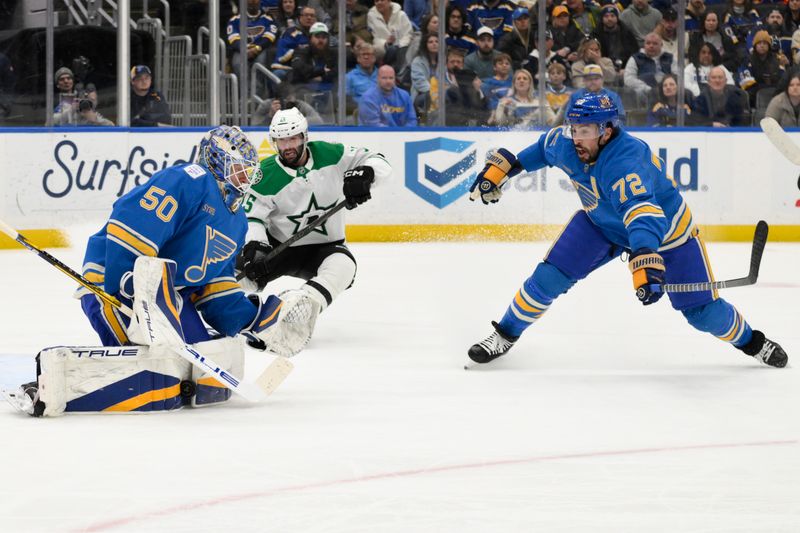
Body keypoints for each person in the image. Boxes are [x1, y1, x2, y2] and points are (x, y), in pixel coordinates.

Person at [466, 93, 787, 369]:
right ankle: (504, 335)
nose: (577, 137)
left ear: (606, 131)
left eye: (586, 130)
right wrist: (504, 170)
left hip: (668, 237)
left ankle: (753, 343)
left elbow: (643, 214)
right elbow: (543, 149)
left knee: (703, 313)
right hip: (601, 225)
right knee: (547, 279)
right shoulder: (568, 142)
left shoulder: (626, 161)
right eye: (574, 128)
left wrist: (646, 255)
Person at [66, 126, 299, 412]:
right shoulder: (189, 181)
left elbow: (216, 284)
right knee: (156, 373)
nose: (245, 178)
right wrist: (129, 280)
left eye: (249, 172)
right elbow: (132, 220)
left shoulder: (237, 221)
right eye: (239, 169)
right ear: (217, 161)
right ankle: (72, 382)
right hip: (114, 285)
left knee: (198, 371)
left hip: (169, 300)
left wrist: (251, 318)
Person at [238, 108, 392, 344]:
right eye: (281, 140)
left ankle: (299, 311)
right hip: (281, 247)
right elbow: (253, 217)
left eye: (293, 138)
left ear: (304, 136)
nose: (287, 146)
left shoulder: (331, 153)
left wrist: (367, 174)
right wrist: (254, 246)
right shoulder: (264, 174)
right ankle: (232, 313)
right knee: (240, 272)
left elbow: (379, 160)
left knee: (344, 265)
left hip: (325, 248)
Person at [226, 0, 278, 94]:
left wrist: (257, 48)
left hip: (260, 49)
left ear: (259, 2)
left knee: (260, 63)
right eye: (250, 1)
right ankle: (245, 96)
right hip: (241, 50)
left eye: (255, 1)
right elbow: (233, 38)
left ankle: (257, 96)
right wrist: (244, 49)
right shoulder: (235, 19)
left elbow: (270, 36)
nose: (252, 2)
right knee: (238, 64)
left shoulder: (268, 19)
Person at [555, 64, 626, 125]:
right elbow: (568, 118)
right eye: (589, 79)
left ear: (602, 79)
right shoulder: (576, 96)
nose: (593, 81)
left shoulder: (613, 97)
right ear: (584, 80)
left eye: (596, 78)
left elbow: (620, 118)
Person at [624, 32, 678, 100]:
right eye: (648, 43)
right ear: (644, 45)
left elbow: (677, 77)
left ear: (661, 45)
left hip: (667, 92)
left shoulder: (670, 57)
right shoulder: (635, 58)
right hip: (644, 93)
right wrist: (647, 89)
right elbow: (628, 79)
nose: (651, 46)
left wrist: (667, 87)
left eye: (655, 43)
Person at [592, 5, 639, 79]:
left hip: (625, 68)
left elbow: (634, 52)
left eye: (612, 16)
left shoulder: (626, 32)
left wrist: (627, 68)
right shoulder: (596, 34)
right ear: (602, 19)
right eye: (606, 16)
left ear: (617, 18)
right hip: (604, 68)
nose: (609, 19)